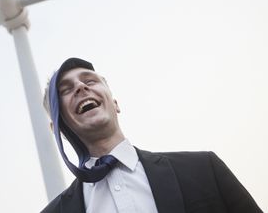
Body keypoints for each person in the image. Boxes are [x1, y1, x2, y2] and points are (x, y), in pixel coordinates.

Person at [40, 57, 262, 213]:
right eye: (65, 90)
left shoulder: (204, 169)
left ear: (115, 104)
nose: (80, 86)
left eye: (90, 81)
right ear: (56, 128)